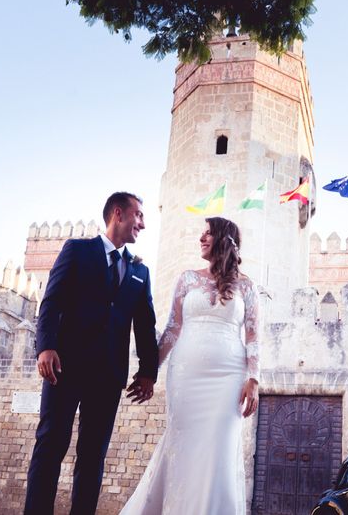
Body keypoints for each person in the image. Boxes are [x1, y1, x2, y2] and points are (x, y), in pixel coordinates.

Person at [24, 192, 159, 515]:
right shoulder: (77, 250)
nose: (143, 222)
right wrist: (45, 347)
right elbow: (52, 302)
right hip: (64, 368)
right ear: (118, 213)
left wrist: (148, 373)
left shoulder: (140, 272)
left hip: (108, 377)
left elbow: (144, 325)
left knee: (92, 456)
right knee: (50, 446)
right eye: (138, 215)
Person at [120, 216, 261, 515]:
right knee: (182, 445)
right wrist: (150, 372)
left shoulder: (247, 286)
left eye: (208, 233)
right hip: (186, 374)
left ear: (224, 239)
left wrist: (254, 379)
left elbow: (253, 335)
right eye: (201, 233)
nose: (201, 238)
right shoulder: (186, 279)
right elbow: (172, 328)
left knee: (219, 451)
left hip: (229, 377)